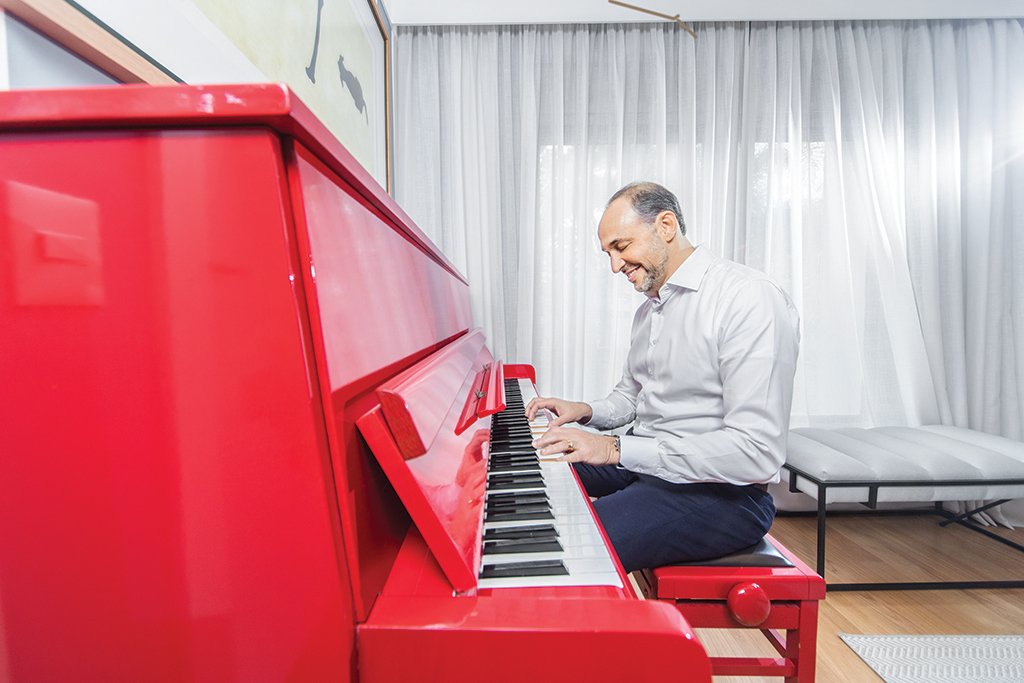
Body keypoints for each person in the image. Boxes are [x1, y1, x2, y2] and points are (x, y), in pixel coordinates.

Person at [526, 181, 800, 572]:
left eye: (621, 247)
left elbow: (755, 452)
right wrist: (584, 411)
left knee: (570, 547)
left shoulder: (748, 298)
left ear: (666, 226)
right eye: (609, 254)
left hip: (723, 495)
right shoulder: (650, 310)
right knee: (532, 467)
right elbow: (630, 398)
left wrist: (612, 450)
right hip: (649, 466)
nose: (615, 266)